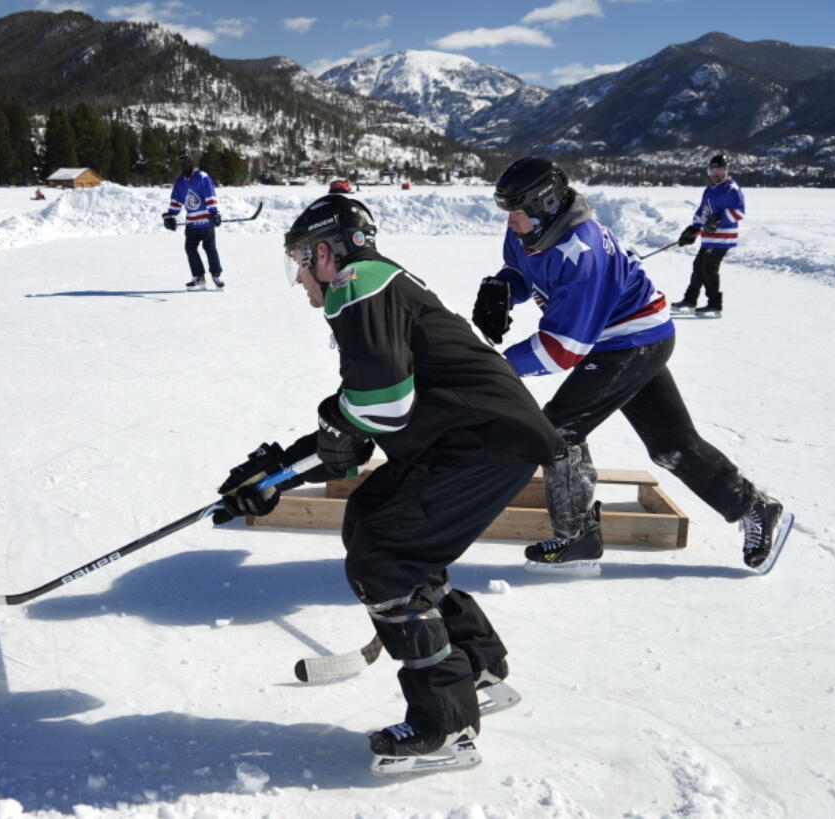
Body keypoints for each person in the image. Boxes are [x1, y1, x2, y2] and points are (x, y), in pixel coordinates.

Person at [216, 194, 564, 768]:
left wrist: (322, 436)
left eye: (300, 262)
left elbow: (379, 407)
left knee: (386, 561)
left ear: (324, 253)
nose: (300, 279)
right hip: (472, 440)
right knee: (374, 517)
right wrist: (277, 473)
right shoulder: (380, 284)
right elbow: (360, 428)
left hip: (481, 445)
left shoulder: (357, 284)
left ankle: (446, 727)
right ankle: (476, 668)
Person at [471, 156, 789, 574]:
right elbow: (523, 270)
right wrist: (503, 287)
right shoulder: (529, 231)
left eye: (515, 211)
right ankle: (754, 506)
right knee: (671, 445)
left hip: (631, 342)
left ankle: (578, 536)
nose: (509, 221)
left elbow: (562, 349)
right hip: (624, 339)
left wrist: (497, 368)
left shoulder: (581, 253)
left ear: (544, 205)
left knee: (559, 430)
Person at [671, 153, 745, 317]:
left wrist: (719, 219)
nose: (716, 174)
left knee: (708, 268)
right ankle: (690, 301)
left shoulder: (731, 188)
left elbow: (739, 212)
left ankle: (715, 305)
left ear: (726, 170)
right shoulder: (710, 190)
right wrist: (693, 229)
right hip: (709, 238)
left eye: (719, 169)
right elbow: (703, 212)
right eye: (712, 170)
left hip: (723, 238)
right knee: (698, 267)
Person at [162, 147, 224, 290]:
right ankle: (198, 277)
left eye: (185, 159)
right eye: (181, 161)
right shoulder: (180, 182)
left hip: (206, 222)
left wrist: (214, 213)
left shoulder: (202, 177)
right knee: (190, 248)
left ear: (191, 160)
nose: (183, 163)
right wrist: (171, 215)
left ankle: (216, 275)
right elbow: (176, 201)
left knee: (210, 247)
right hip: (191, 224)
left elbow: (210, 196)